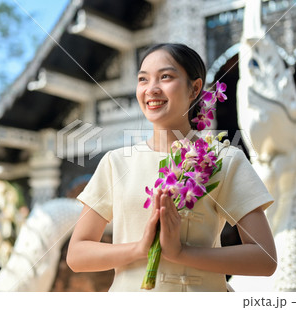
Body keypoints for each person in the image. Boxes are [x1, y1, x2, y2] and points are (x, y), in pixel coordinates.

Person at [66, 43, 276, 292]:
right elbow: (77, 255)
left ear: (195, 88)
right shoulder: (116, 162)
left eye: (165, 77)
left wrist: (180, 253)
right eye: (143, 80)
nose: (151, 89)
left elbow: (265, 259)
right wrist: (139, 248)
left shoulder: (222, 159)